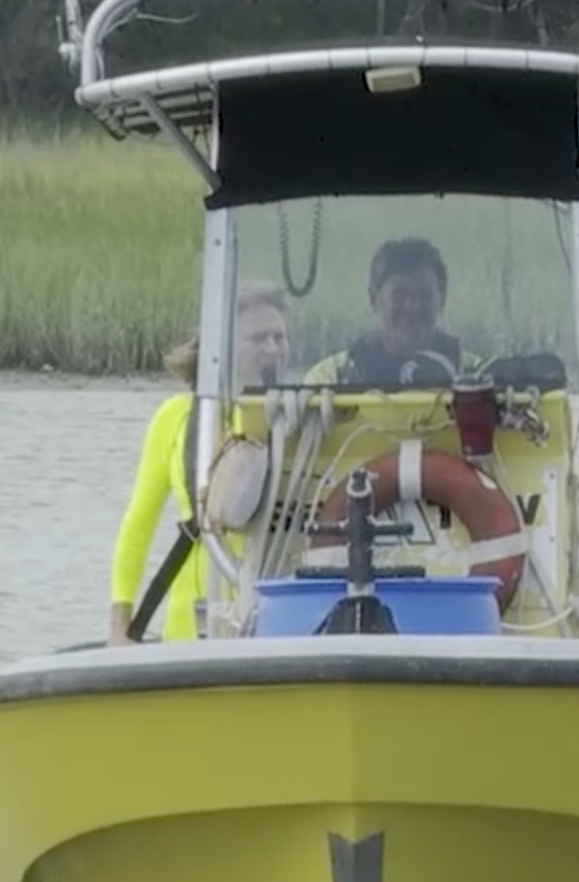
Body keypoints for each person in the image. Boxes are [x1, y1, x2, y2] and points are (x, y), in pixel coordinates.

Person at [107, 286, 294, 645]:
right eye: (257, 338)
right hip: (190, 629)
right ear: (220, 347)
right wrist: (120, 625)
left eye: (279, 337)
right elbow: (138, 526)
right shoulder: (175, 419)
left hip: (277, 624)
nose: (271, 349)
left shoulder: (304, 420)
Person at [302, 237, 485, 387]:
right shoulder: (329, 379)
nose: (413, 307)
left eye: (424, 295)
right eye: (400, 295)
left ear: (442, 299)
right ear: (374, 299)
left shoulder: (477, 375)